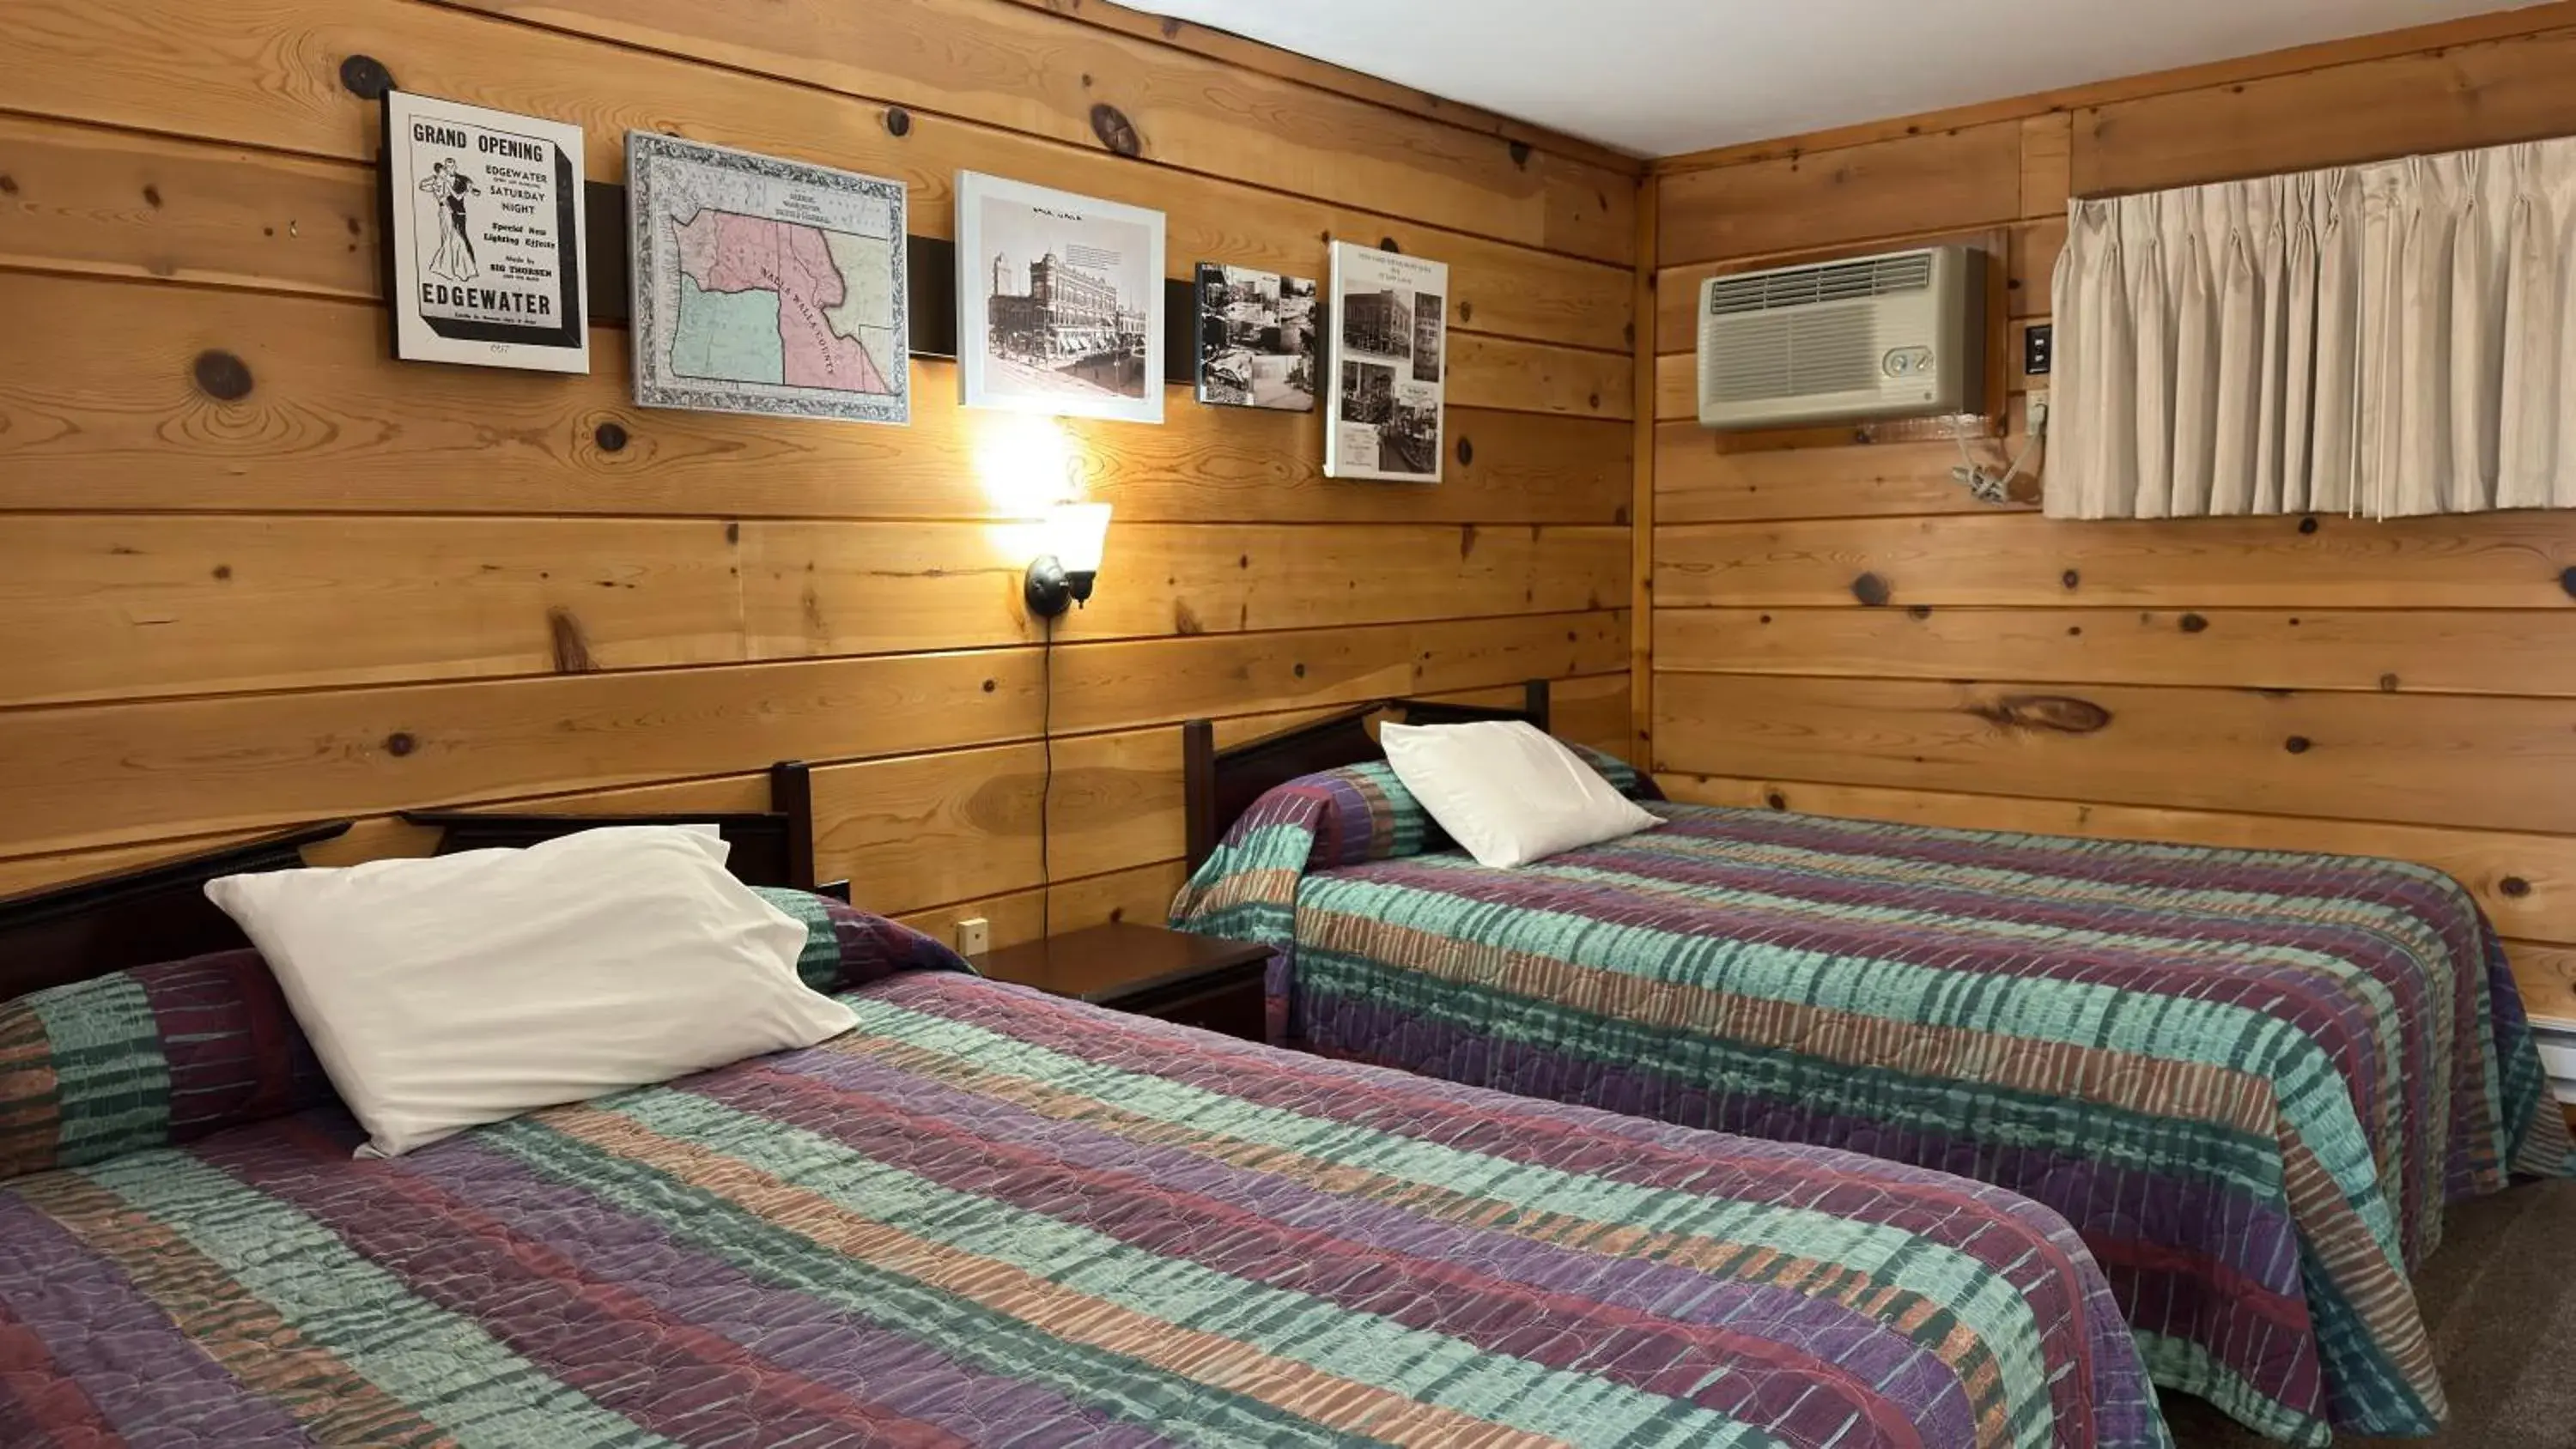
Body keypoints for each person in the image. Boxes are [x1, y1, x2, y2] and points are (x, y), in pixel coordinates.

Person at [418, 158, 481, 283]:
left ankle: (460, 268)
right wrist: (435, 179)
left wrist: (467, 190)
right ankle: (451, 268)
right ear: (440, 171)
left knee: (456, 238)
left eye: (447, 169)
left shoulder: (451, 182)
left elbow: (461, 193)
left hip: (450, 212)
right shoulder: (438, 183)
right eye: (444, 170)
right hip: (445, 212)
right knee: (449, 238)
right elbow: (422, 186)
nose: (446, 172)